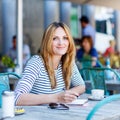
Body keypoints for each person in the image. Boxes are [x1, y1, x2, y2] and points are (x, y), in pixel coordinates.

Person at [15, 22, 85, 106]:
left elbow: (81, 86)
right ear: (47, 41)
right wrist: (56, 98)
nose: (61, 43)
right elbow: (17, 97)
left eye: (65, 38)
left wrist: (66, 95)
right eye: (55, 38)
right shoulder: (36, 63)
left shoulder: (68, 62)